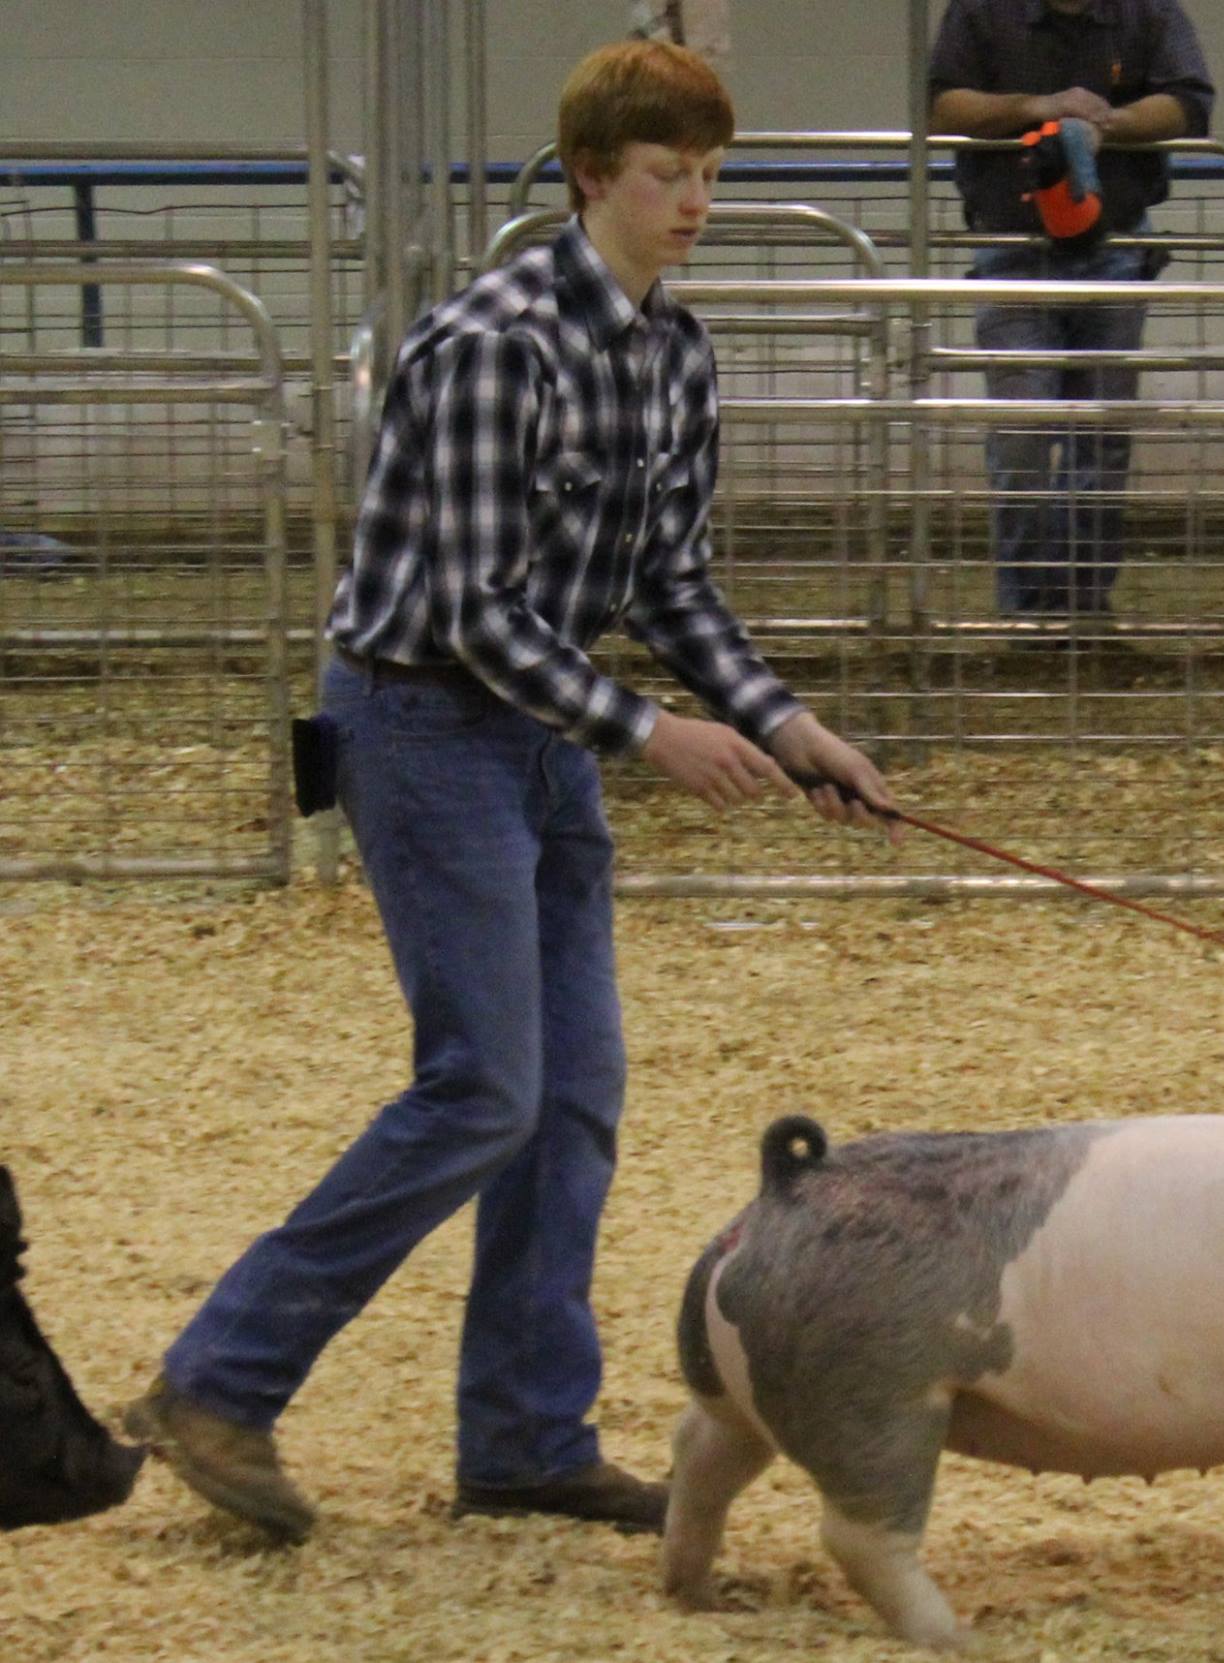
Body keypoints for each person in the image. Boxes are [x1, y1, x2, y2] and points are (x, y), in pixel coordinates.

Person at [122, 40, 899, 1543]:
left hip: (535, 738)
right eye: (670, 176)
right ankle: (219, 1375)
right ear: (593, 177)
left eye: (713, 176)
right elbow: (473, 605)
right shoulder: (494, 341)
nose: (697, 204)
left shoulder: (675, 351)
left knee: (571, 1098)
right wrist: (650, 733)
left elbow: (671, 578)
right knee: (483, 1083)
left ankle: (524, 1435)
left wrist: (788, 721)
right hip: (419, 724)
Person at [929, 0, 1215, 623]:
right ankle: (1032, 610)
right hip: (1010, 245)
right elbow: (945, 103)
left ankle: (1083, 606)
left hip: (1115, 246)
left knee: (1100, 438)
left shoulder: (1149, 13)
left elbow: (1190, 102)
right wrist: (1039, 107)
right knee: (1024, 433)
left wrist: (1105, 122)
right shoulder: (980, 12)